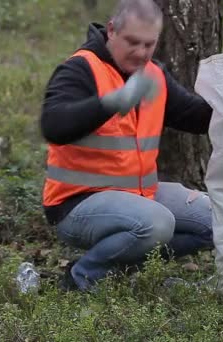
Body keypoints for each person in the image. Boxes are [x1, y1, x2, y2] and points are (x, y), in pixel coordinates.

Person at [40, 0, 214, 291]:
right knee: (157, 224)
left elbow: (195, 117)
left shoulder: (154, 75)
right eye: (132, 42)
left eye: (149, 45)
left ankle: (114, 271)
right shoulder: (81, 69)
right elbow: (53, 126)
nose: (140, 53)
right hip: (76, 204)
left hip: (138, 195)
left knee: (219, 222)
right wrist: (112, 102)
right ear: (111, 31)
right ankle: (81, 278)